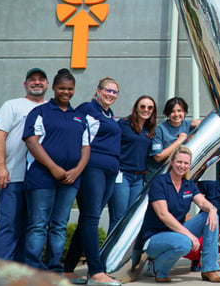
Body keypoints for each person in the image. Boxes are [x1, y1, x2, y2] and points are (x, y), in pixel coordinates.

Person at [22, 68, 90, 273]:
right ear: (53, 88)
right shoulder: (40, 112)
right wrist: (53, 168)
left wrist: (77, 171)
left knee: (59, 225)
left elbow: (86, 147)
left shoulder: (79, 117)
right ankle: (33, 270)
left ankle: (54, 270)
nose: (66, 92)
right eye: (62, 88)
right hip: (42, 178)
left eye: (69, 89)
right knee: (38, 224)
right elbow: (32, 142)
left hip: (70, 181)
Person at [63, 77, 122, 286]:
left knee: (87, 219)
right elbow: (74, 132)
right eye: (107, 90)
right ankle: (96, 272)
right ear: (98, 90)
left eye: (115, 92)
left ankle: (68, 269)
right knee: (91, 218)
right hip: (92, 168)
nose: (111, 95)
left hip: (110, 170)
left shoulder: (109, 114)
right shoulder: (88, 108)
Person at [139, 145, 220, 283]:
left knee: (210, 217)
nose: (182, 166)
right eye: (179, 162)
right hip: (155, 237)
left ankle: (209, 269)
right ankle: (159, 268)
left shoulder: (188, 184)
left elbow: (202, 203)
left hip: (176, 232)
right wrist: (190, 236)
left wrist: (212, 210)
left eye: (186, 163)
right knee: (185, 243)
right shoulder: (159, 182)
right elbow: (163, 215)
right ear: (171, 162)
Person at [0, 68, 49, 262]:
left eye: (41, 80)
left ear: (48, 85)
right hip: (14, 176)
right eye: (32, 80)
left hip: (41, 181)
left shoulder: (51, 108)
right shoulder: (12, 105)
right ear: (25, 84)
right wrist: (0, 166)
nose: (37, 83)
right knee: (9, 226)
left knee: (33, 229)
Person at [107, 95, 158, 233]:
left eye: (150, 107)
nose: (146, 110)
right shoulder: (123, 124)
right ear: (136, 108)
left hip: (138, 178)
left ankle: (123, 254)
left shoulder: (151, 129)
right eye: (142, 106)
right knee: (118, 217)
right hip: (122, 175)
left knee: (130, 219)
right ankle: (109, 254)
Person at [146, 97, 199, 182]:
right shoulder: (160, 129)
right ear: (167, 114)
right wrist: (179, 141)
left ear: (185, 112)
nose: (176, 114)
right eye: (172, 111)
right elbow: (158, 156)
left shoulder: (189, 126)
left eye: (179, 111)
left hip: (181, 176)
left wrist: (199, 123)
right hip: (159, 174)